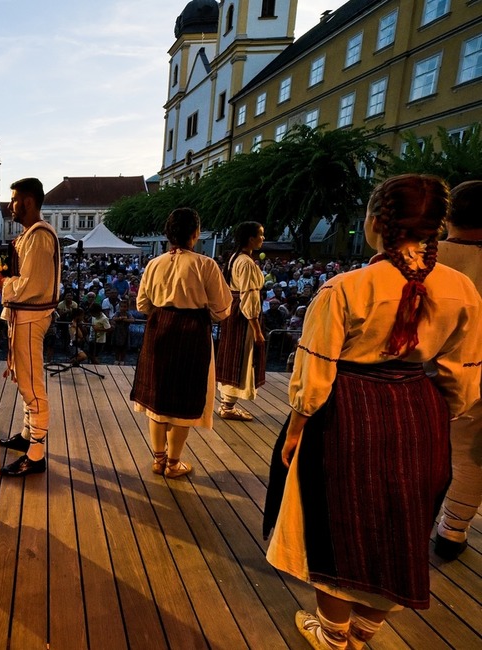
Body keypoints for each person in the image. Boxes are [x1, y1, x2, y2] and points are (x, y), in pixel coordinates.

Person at [263, 174, 482, 650]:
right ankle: (366, 629)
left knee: (332, 517)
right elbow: (461, 373)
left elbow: (316, 368)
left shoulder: (345, 288)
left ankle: (334, 632)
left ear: (375, 222)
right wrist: (434, 416)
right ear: (435, 225)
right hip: (419, 408)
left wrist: (297, 425)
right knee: (402, 523)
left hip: (348, 407)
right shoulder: (461, 288)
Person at [130, 208, 232, 478]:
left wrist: (163, 313)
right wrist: (200, 315)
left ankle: (158, 459)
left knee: (157, 394)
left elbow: (142, 304)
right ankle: (173, 464)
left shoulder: (154, 264)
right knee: (183, 397)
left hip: (159, 328)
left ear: (168, 233)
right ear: (196, 233)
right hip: (192, 331)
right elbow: (222, 308)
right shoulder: (205, 264)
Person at [0, 178, 61, 477]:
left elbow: (31, 285)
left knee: (33, 384)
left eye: (15, 200)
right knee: (24, 378)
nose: (10, 206)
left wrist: (1, 281)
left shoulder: (40, 236)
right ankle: (26, 433)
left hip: (31, 318)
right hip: (23, 317)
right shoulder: (29, 236)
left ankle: (36, 453)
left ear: (29, 202)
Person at [435, 179, 482, 560]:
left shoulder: (423, 257)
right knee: (472, 457)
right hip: (479, 376)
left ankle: (407, 522)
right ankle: (453, 529)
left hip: (420, 374)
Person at [215, 221, 266, 421]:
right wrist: (257, 329)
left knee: (232, 354)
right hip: (243, 316)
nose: (262, 238)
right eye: (260, 235)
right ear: (250, 238)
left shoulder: (235, 257)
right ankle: (227, 406)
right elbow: (249, 296)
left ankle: (227, 404)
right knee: (241, 356)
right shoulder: (245, 262)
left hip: (234, 311)